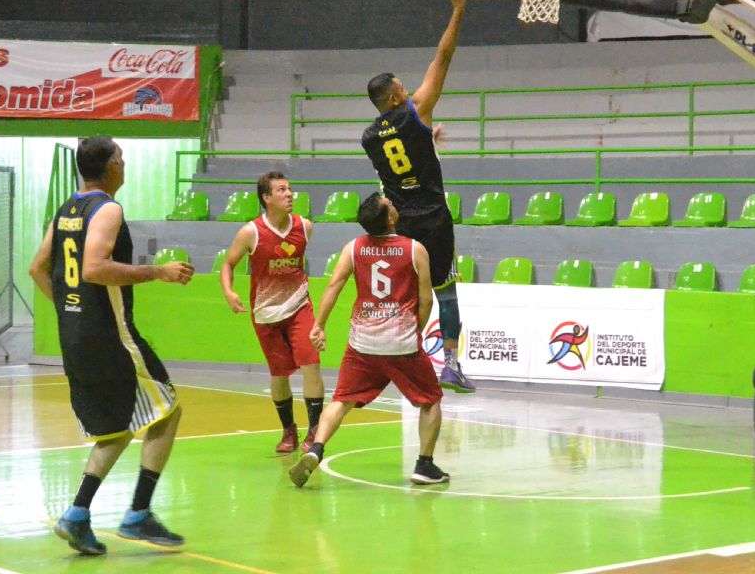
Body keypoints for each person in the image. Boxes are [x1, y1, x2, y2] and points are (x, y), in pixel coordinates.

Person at [28, 136, 196, 556]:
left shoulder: (66, 209)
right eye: (120, 158)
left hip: (77, 336)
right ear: (109, 168)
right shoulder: (108, 208)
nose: (124, 163)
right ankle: (138, 513)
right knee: (168, 413)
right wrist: (157, 271)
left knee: (115, 429)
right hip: (111, 335)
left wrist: (69, 311)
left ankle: (77, 515)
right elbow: (95, 267)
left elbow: (37, 268)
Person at [360, 0, 475, 394]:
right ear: (394, 98)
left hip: (400, 223)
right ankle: (451, 364)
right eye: (402, 88)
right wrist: (459, 8)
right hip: (433, 220)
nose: (409, 90)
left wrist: (427, 138)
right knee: (445, 294)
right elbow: (444, 56)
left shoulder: (369, 137)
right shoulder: (416, 111)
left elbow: (396, 162)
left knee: (403, 295)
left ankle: (393, 359)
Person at [289, 193, 447, 488]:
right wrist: (417, 331)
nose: (394, 203)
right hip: (401, 344)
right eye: (391, 203)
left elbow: (334, 286)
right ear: (389, 219)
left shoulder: (354, 248)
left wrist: (319, 325)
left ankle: (316, 449)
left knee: (341, 401)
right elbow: (426, 299)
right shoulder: (415, 250)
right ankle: (424, 465)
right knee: (431, 401)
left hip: (362, 343)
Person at [220, 171, 325, 454]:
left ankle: (315, 431)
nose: (289, 194)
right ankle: (288, 430)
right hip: (266, 313)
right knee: (279, 375)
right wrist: (229, 292)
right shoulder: (250, 232)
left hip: (299, 307)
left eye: (289, 189)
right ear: (266, 198)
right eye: (281, 190)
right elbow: (228, 264)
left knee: (311, 365)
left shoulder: (305, 227)